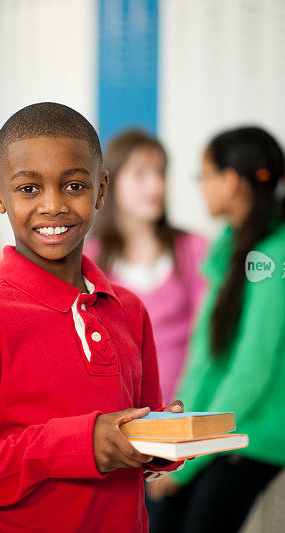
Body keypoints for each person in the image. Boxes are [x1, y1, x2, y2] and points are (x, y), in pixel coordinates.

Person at [0, 102, 184, 532]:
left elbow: (132, 440)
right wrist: (78, 444)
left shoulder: (129, 311)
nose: (53, 205)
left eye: (74, 185)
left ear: (101, 190)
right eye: (28, 189)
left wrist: (154, 442)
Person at [145, 127, 285, 533]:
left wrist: (184, 466)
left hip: (254, 438)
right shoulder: (230, 246)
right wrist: (178, 445)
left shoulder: (275, 256)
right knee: (154, 516)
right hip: (222, 435)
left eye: (204, 175)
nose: (200, 187)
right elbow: (205, 363)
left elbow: (250, 375)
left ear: (231, 182)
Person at [85, 129, 209, 403]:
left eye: (160, 173)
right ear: (110, 182)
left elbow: (209, 340)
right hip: (117, 418)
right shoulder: (88, 259)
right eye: (141, 174)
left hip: (187, 412)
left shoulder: (194, 249)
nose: (155, 186)